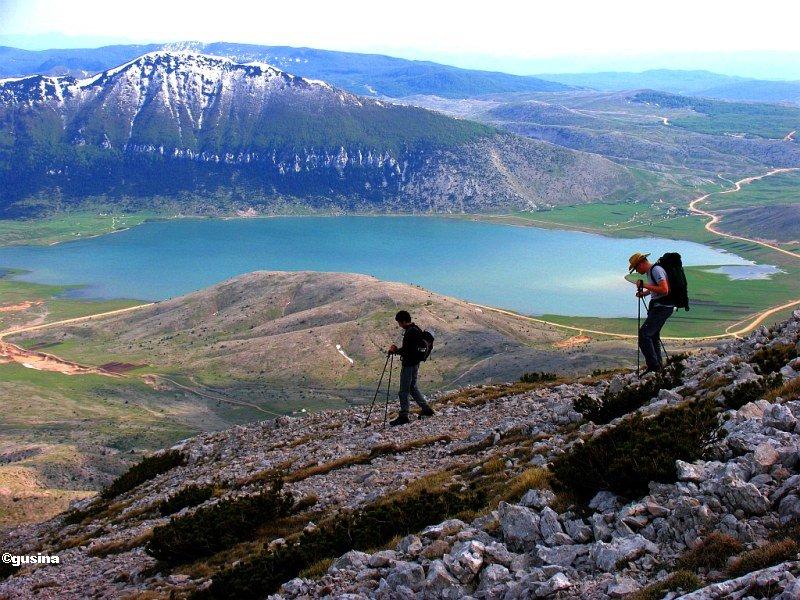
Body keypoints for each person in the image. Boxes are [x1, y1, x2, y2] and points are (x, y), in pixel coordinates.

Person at [629, 252, 674, 373]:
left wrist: (645, 286)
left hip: (663, 307)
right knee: (653, 336)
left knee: (644, 334)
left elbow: (664, 289)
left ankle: (654, 367)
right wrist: (645, 293)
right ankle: (658, 366)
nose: (637, 271)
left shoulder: (656, 270)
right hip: (661, 306)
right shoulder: (652, 271)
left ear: (642, 263)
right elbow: (657, 287)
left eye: (636, 268)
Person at [388, 310, 435, 426]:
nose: (399, 325)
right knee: (413, 388)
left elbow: (406, 351)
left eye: (399, 323)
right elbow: (412, 350)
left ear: (404, 321)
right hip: (415, 363)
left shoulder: (410, 332)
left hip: (408, 365)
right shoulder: (416, 329)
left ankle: (404, 416)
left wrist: (395, 350)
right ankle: (426, 409)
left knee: (403, 391)